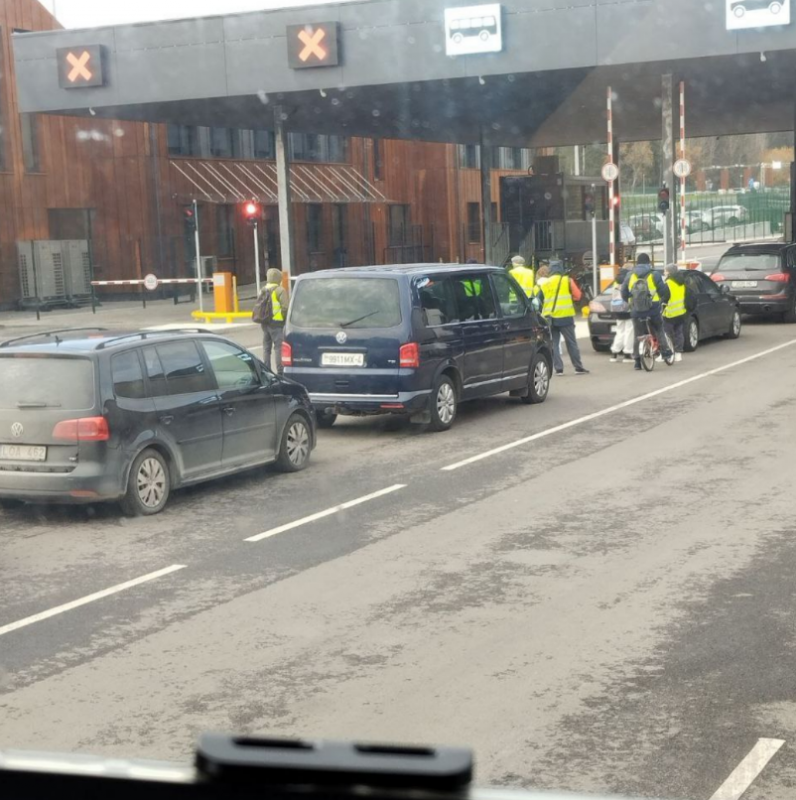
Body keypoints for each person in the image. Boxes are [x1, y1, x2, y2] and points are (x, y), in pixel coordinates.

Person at [621, 253, 672, 371]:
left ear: (637, 263)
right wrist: (662, 300)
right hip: (652, 309)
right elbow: (663, 291)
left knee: (638, 334)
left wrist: (630, 302)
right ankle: (666, 353)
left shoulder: (630, 275)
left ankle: (637, 362)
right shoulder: (654, 274)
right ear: (649, 262)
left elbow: (623, 292)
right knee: (659, 329)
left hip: (636, 309)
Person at [542, 260, 589, 375]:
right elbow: (578, 296)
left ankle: (558, 369)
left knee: (554, 344)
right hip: (566, 317)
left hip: (550, 318)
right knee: (571, 343)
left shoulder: (545, 283)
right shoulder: (567, 281)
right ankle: (578, 367)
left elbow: (539, 299)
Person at [259, 267, 290, 375]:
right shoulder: (280, 290)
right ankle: (280, 372)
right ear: (278, 278)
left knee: (266, 348)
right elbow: (285, 308)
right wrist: (283, 319)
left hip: (264, 323)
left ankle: (267, 371)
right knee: (278, 347)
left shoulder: (262, 290)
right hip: (277, 323)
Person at [662, 264, 693, 363]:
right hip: (681, 312)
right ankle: (678, 353)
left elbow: (665, 298)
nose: (664, 272)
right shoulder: (682, 282)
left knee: (667, 334)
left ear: (669, 272)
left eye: (665, 271)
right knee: (679, 333)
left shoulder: (668, 283)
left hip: (670, 313)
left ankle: (667, 353)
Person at [608, 267, 634, 363]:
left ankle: (614, 353)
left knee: (620, 331)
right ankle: (627, 354)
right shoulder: (628, 282)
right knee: (629, 331)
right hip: (627, 309)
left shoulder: (615, 282)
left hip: (617, 309)